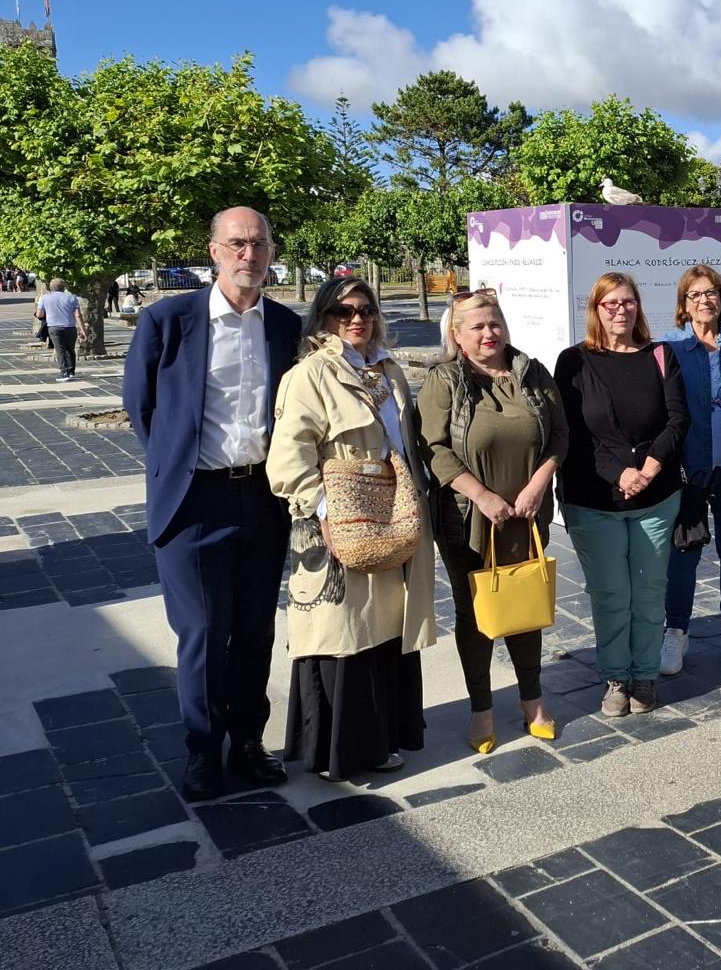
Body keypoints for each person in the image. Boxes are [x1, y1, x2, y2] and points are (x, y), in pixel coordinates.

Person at [123, 207, 300, 800]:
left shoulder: (283, 325)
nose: (249, 254)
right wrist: (176, 467)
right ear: (215, 250)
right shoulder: (168, 319)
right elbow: (143, 408)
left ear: (271, 251)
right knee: (201, 630)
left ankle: (248, 741)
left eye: (259, 243)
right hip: (194, 501)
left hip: (261, 497)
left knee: (254, 629)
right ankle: (203, 750)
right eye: (238, 243)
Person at [267, 278, 436, 779]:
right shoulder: (309, 376)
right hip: (337, 527)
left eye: (365, 309)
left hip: (393, 519)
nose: (356, 319)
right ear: (323, 318)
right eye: (343, 311)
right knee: (343, 633)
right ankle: (340, 752)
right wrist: (328, 511)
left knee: (386, 628)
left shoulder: (387, 371)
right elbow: (287, 461)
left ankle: (384, 737)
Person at [420, 289, 566, 753]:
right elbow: (433, 448)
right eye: (477, 326)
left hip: (525, 513)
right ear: (458, 336)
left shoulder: (532, 372)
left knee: (525, 603)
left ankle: (532, 700)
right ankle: (481, 707)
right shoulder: (445, 380)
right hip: (467, 517)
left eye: (495, 323)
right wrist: (481, 495)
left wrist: (538, 485)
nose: (489, 333)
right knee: (475, 611)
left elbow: (560, 434)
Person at [554, 273, 689, 718]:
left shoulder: (659, 356)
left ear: (638, 307)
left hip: (655, 496)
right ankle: (616, 676)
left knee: (649, 590)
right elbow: (570, 434)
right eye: (610, 303)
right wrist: (620, 475)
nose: (620, 310)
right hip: (594, 499)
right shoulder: (573, 362)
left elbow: (677, 420)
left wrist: (648, 469)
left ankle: (645, 674)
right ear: (595, 309)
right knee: (611, 594)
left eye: (627, 302)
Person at [660, 266, 721, 675]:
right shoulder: (670, 350)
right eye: (695, 295)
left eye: (712, 293)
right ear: (684, 304)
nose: (705, 300)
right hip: (688, 470)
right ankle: (676, 630)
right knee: (684, 554)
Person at [36, 277, 88, 381]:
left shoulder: (44, 298)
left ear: (51, 287)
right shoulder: (72, 298)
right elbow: (78, 315)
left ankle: (64, 372)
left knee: (60, 350)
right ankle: (71, 371)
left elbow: (39, 314)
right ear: (64, 287)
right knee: (70, 349)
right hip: (70, 327)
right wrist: (83, 331)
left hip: (54, 327)